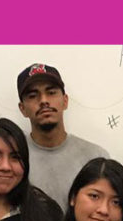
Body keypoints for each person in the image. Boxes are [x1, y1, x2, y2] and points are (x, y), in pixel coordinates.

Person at [17, 63, 108, 206]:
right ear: (22, 109)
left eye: (51, 93)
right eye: (33, 96)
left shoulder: (94, 156)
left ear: (65, 101)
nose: (44, 101)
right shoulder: (14, 160)